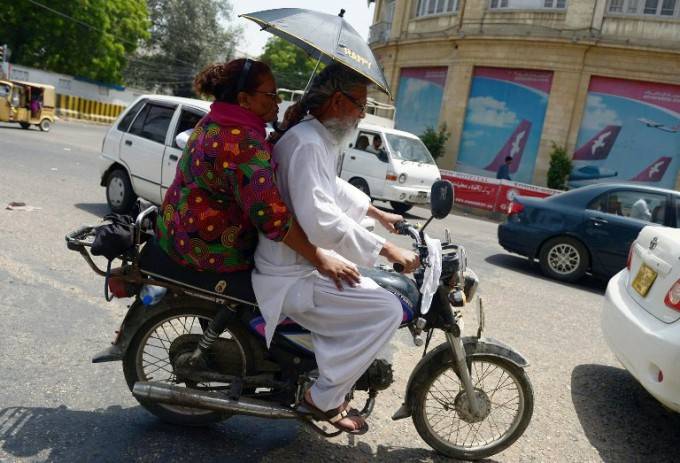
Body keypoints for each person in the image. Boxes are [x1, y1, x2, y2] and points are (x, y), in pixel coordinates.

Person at [252, 63, 420, 434]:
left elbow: (329, 189)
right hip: (290, 273)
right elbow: (322, 220)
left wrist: (377, 212)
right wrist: (388, 250)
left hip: (300, 261)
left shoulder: (314, 138)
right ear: (338, 101)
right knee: (386, 310)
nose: (362, 114)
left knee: (372, 290)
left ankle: (322, 372)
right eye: (360, 105)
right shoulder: (307, 143)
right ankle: (322, 397)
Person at [154, 58, 359, 303]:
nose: (278, 101)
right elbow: (273, 218)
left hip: (176, 231)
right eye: (271, 94)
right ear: (244, 100)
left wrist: (282, 128)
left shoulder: (217, 120)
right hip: (206, 249)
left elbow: (248, 167)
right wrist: (321, 259)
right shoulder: (243, 144)